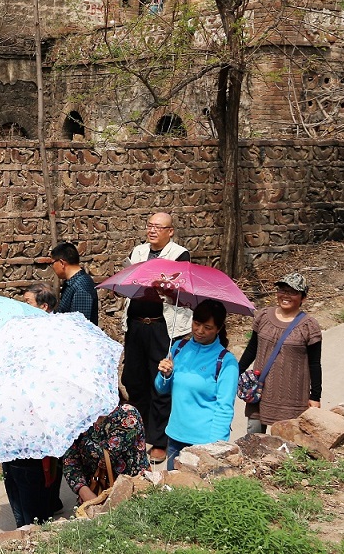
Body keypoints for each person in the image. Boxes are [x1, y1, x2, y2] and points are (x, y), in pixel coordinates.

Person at [121, 211, 192, 464]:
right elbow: (128, 281)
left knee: (160, 380)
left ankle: (160, 439)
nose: (152, 231)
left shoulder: (179, 255)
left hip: (163, 326)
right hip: (136, 325)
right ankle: (138, 434)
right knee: (134, 379)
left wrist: (160, 288)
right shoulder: (138, 252)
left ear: (170, 231)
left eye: (158, 227)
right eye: (149, 226)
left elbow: (179, 291)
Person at [153, 299, 237, 469]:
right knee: (173, 491)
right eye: (196, 323)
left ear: (218, 329)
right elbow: (161, 389)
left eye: (207, 328)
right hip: (175, 436)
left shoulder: (226, 361)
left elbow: (225, 407)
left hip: (204, 443)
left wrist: (215, 446)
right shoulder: (178, 347)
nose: (199, 331)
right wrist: (165, 374)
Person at [238, 273, 322, 433]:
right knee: (254, 441)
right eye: (282, 290)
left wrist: (315, 396)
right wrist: (235, 373)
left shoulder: (309, 326)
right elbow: (251, 349)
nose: (285, 295)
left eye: (292, 292)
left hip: (293, 398)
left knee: (286, 446)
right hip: (260, 393)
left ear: (303, 298)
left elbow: (314, 364)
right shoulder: (263, 317)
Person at [61, 404, 151, 505]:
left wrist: (76, 437)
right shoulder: (80, 419)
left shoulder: (127, 414)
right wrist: (85, 492)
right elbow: (69, 462)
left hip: (131, 491)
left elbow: (106, 457)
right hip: (94, 491)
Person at [41, 242, 98, 326]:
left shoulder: (81, 287)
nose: (52, 267)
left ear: (61, 263)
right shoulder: (72, 283)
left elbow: (81, 325)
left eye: (52, 263)